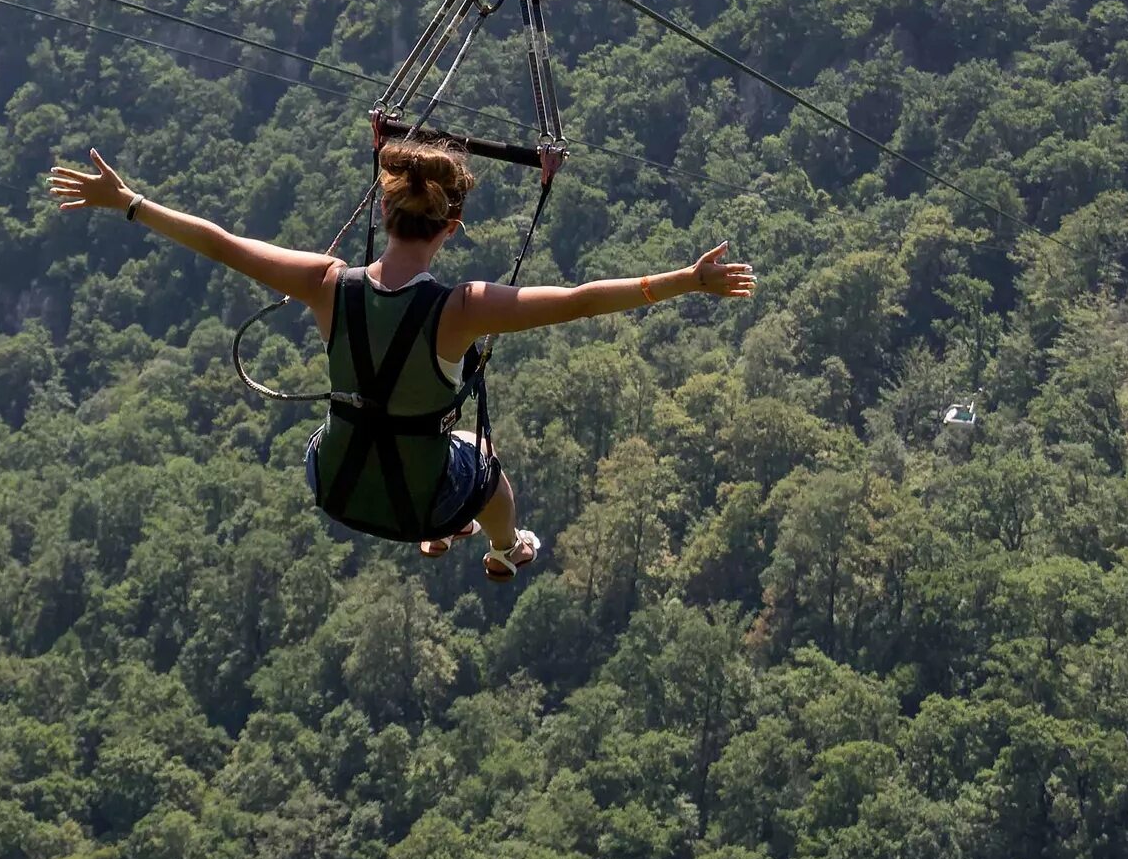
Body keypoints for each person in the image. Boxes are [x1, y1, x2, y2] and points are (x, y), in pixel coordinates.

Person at [48, 139, 755, 581]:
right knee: (485, 461)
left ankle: (450, 528)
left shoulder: (325, 283)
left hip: (335, 484)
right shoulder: (462, 309)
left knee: (399, 436)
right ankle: (507, 548)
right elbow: (583, 299)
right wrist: (686, 281)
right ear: (451, 228)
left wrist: (130, 201)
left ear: (386, 219)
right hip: (418, 496)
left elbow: (222, 242)